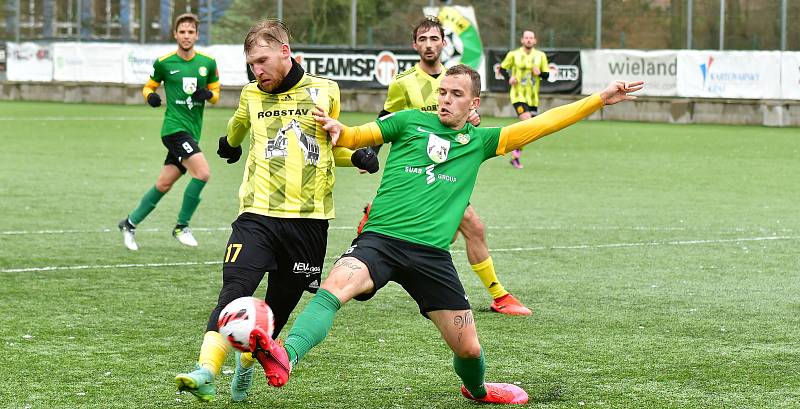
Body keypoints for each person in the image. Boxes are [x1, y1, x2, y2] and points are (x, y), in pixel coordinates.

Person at [249, 66, 643, 403]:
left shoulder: (482, 141)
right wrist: (339, 128)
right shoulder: (407, 122)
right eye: (442, 92)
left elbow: (542, 124)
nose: (445, 99)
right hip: (380, 241)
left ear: (474, 103)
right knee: (336, 286)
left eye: (456, 94)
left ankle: (478, 390)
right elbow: (357, 137)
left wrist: (597, 99)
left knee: (469, 348)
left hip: (432, 257)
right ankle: (287, 355)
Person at [173, 19, 378, 403]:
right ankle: (206, 370)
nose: (257, 70)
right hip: (257, 215)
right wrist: (229, 146)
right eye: (252, 63)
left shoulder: (325, 90)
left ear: (286, 51)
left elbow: (330, 148)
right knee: (234, 293)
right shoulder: (251, 95)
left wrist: (358, 156)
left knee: (275, 312)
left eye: (263, 60)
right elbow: (235, 131)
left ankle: (246, 368)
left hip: (310, 222)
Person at [362, 16, 532, 316]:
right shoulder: (403, 83)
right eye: (423, 39)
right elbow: (385, 120)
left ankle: (497, 295)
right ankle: (498, 294)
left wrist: (472, 121)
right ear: (415, 44)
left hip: (449, 169)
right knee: (471, 227)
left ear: (444, 43)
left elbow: (469, 120)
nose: (429, 45)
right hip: (415, 171)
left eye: (434, 39)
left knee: (468, 229)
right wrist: (370, 153)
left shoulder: (458, 79)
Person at [117, 13, 219, 250]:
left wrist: (207, 95)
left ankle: (129, 223)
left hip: (192, 132)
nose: (186, 36)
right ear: (175, 34)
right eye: (182, 32)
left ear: (196, 35)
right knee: (202, 173)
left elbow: (216, 95)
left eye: (190, 32)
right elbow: (148, 86)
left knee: (164, 184)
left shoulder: (208, 63)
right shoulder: (164, 62)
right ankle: (181, 226)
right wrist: (150, 96)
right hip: (173, 129)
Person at [499, 30, 549, 169]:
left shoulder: (540, 56)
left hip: (533, 98)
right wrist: (509, 78)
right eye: (526, 37)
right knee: (527, 123)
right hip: (518, 95)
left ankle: (515, 155)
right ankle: (508, 146)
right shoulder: (514, 54)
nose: (528, 40)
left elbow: (546, 75)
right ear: (522, 40)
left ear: (535, 41)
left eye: (531, 38)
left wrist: (540, 73)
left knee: (528, 129)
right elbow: (502, 68)